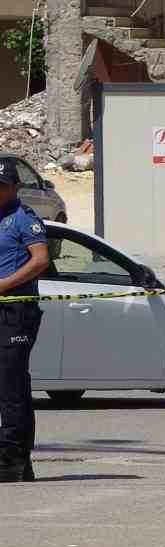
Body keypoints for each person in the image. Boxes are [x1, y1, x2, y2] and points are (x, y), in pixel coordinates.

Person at [0, 161, 48, 484]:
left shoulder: (23, 218)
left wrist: (4, 285)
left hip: (16, 310)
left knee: (12, 384)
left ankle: (13, 458)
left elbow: (41, 260)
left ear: (15, 186)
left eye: (2, 184)